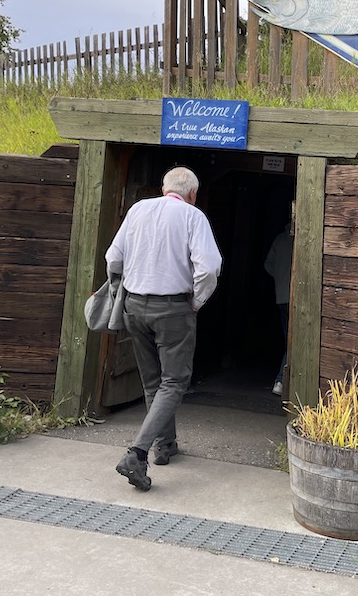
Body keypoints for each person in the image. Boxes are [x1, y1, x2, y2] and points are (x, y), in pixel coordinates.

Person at [106, 166, 222, 492]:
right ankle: (137, 453)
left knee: (153, 381)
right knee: (174, 382)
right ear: (192, 194)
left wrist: (124, 290)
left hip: (134, 306)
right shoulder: (193, 216)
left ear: (162, 187)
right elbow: (209, 268)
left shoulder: (138, 209)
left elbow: (113, 259)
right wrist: (196, 302)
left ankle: (166, 445)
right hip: (172, 309)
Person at [263, 213, 294, 397]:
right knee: (293, 341)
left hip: (281, 296)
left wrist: (280, 279)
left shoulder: (279, 240)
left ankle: (282, 379)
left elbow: (268, 264)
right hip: (297, 298)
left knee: (288, 339)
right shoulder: (299, 240)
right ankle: (281, 379)